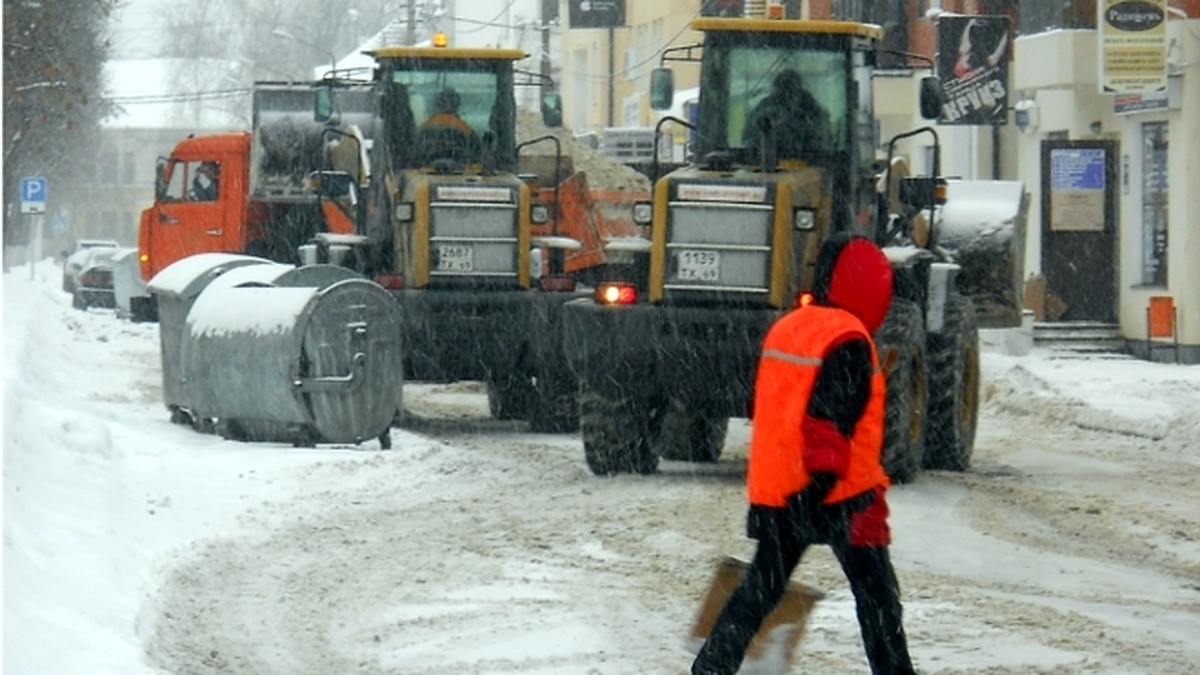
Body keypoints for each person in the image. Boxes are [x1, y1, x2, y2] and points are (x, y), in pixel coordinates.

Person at [692, 233, 915, 675]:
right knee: (878, 601)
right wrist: (818, 487)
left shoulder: (790, 326)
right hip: (841, 495)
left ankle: (711, 669)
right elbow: (825, 424)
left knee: (760, 590)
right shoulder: (849, 340)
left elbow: (781, 412)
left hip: (779, 490)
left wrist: (795, 493)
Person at [742, 69, 830, 160]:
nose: (787, 97)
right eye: (782, 93)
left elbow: (824, 141)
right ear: (776, 90)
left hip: (808, 161)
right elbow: (748, 140)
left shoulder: (811, 107)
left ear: (799, 90)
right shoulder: (765, 107)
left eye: (791, 91)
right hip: (768, 162)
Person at [418, 87, 480, 163]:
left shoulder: (423, 128)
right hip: (459, 173)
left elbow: (414, 156)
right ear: (457, 106)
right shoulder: (466, 130)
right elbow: (477, 156)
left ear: (437, 105)